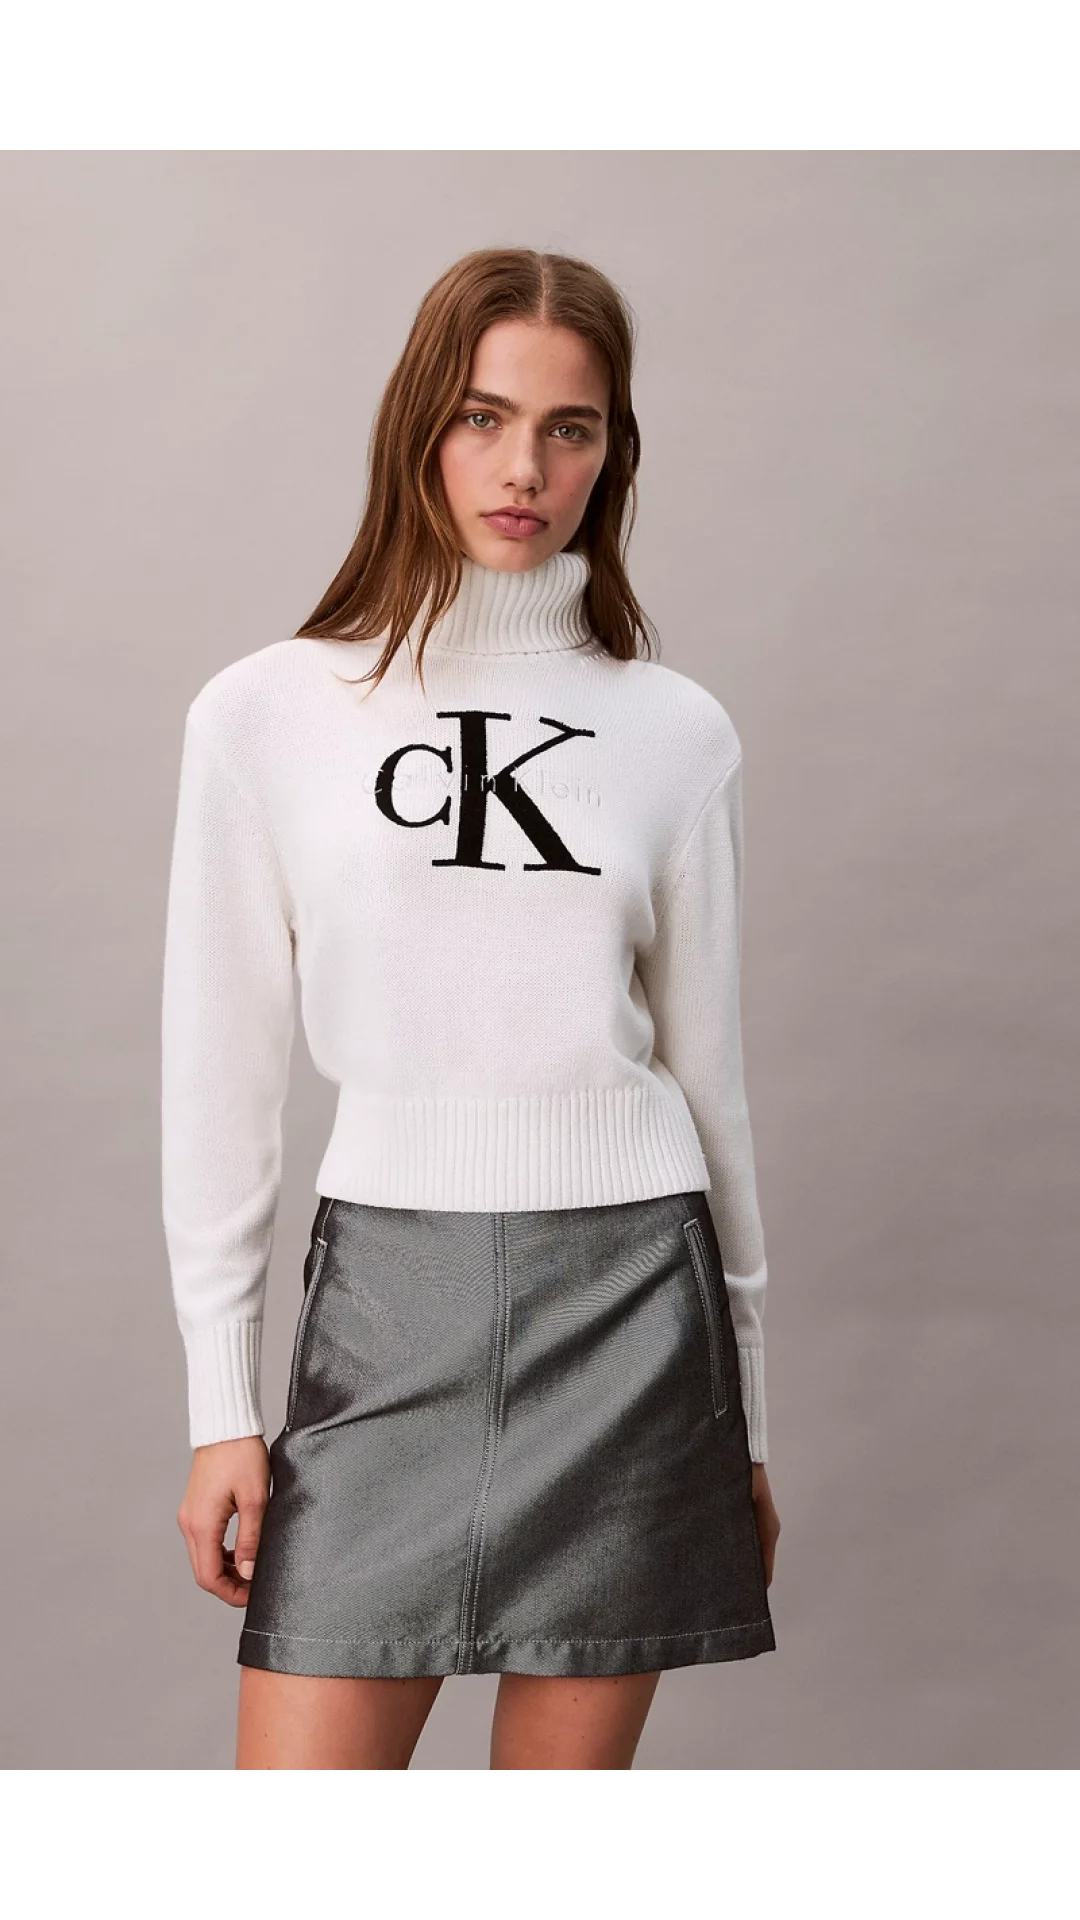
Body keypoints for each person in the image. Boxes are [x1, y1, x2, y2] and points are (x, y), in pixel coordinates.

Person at [162, 246, 782, 1776]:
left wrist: (749, 1420)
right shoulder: (264, 715)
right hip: (388, 1306)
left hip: (634, 1311)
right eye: (483, 418)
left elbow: (712, 1084)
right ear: (418, 428)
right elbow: (218, 1080)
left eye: (571, 430)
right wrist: (219, 1404)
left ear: (612, 454)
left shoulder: (676, 733)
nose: (525, 471)